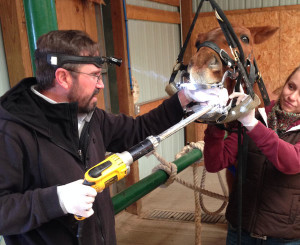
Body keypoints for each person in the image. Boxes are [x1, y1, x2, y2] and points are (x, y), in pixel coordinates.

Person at [0, 30, 202, 245]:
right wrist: (57, 200)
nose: (101, 85)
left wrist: (185, 98)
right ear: (63, 77)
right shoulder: (10, 130)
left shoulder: (90, 116)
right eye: (95, 76)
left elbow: (137, 130)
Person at [204, 65, 300, 244]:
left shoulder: (252, 121)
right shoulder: (258, 116)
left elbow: (292, 162)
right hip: (241, 231)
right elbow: (215, 162)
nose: (292, 97)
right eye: (291, 86)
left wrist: (252, 125)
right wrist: (216, 123)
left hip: (283, 237)